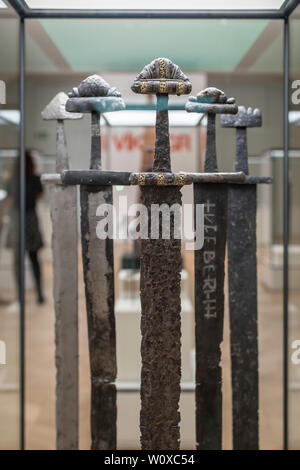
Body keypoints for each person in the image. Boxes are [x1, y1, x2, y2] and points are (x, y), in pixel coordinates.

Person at [6, 150, 45, 304]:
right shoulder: (33, 178)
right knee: (34, 258)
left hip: (19, 219)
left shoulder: (14, 179)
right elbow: (40, 196)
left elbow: (9, 199)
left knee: (19, 261)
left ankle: (22, 295)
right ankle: (39, 293)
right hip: (29, 218)